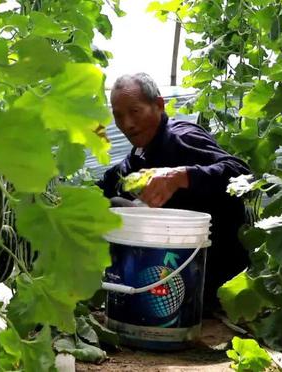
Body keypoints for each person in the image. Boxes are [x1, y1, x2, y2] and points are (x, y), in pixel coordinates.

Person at [96, 73, 251, 314]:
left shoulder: (181, 138)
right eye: (118, 116)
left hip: (214, 277)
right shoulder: (140, 155)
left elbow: (242, 174)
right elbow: (111, 182)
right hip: (171, 280)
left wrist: (180, 176)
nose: (127, 124)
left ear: (159, 105)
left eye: (135, 111)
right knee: (113, 203)